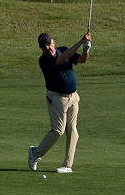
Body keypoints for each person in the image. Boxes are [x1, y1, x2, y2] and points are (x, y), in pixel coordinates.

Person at [28, 31, 90, 174]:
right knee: (58, 131)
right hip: (57, 99)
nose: (48, 48)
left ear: (53, 42)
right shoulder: (44, 60)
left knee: (73, 131)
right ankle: (35, 153)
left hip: (73, 97)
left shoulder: (63, 49)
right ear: (41, 48)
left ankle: (67, 165)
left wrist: (86, 49)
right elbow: (63, 57)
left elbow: (82, 60)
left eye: (49, 44)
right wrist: (81, 41)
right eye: (44, 47)